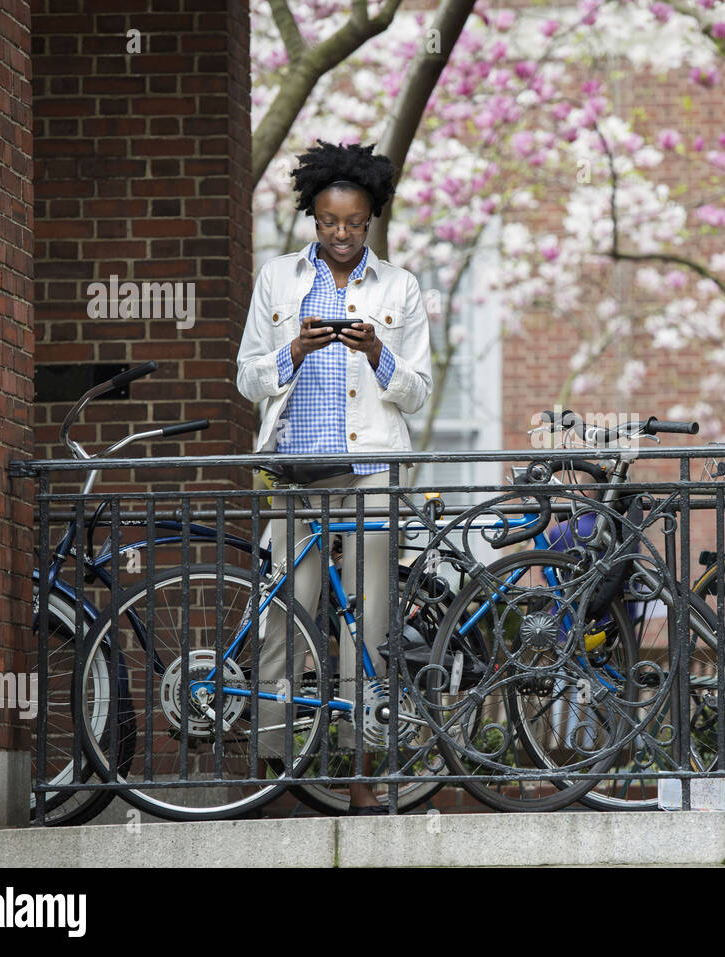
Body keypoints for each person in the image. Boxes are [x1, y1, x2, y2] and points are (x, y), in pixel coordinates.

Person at [236, 140, 433, 813]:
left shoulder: (399, 288)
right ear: (312, 218)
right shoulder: (278, 281)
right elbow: (247, 377)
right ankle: (273, 774)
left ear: (372, 218)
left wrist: (380, 354)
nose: (342, 235)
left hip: (372, 471)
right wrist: (291, 351)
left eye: (354, 223)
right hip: (296, 473)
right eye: (328, 222)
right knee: (285, 619)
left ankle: (360, 780)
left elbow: (417, 392)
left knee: (366, 628)